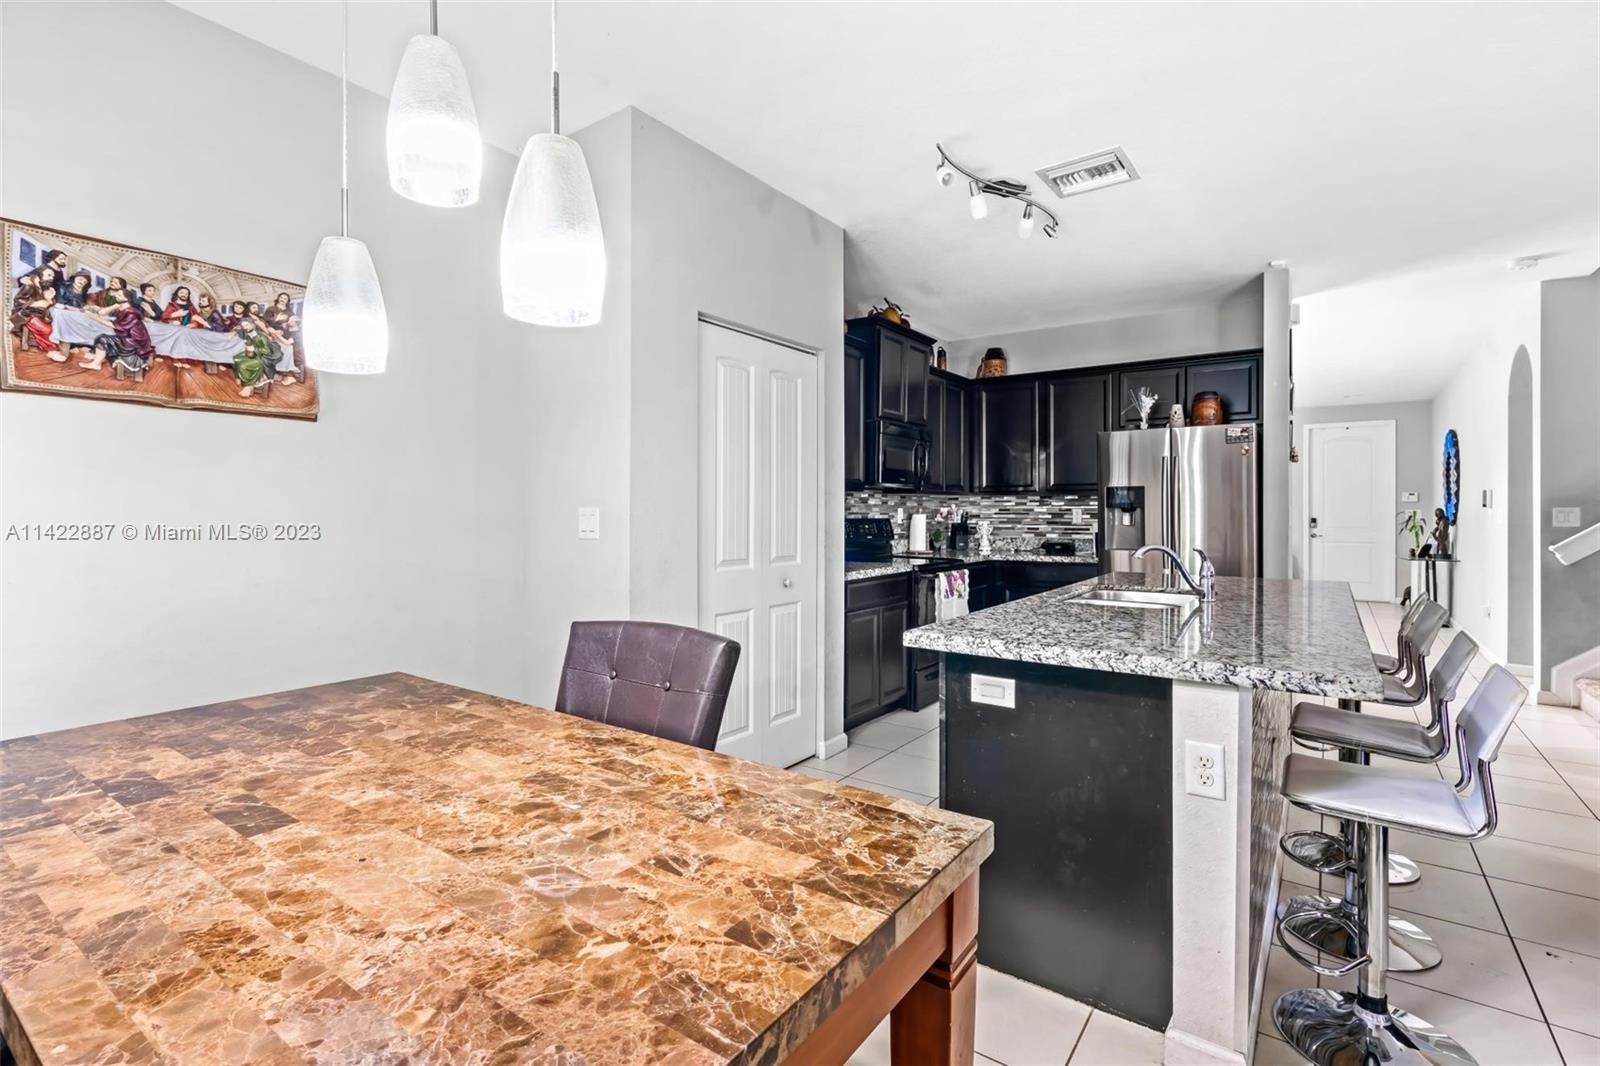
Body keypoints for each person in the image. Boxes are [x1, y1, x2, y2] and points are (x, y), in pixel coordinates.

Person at [80, 305, 156, 375]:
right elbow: (101, 313)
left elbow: (115, 325)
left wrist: (95, 318)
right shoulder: (125, 311)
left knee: (102, 338)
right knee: (103, 338)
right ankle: (98, 359)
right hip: (129, 340)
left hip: (132, 345)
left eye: (119, 296)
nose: (117, 298)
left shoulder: (131, 314)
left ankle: (96, 364)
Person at [10, 267, 60, 358]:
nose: (51, 278)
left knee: (56, 328)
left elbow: (48, 305)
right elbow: (18, 301)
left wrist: (49, 299)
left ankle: (48, 347)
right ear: (39, 276)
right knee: (48, 330)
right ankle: (50, 349)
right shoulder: (30, 286)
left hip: (41, 315)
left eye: (53, 276)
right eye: (49, 275)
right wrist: (35, 304)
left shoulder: (46, 288)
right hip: (26, 315)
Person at [232, 317, 274, 397]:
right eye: (243, 326)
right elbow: (239, 332)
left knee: (243, 365)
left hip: (261, 358)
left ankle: (249, 386)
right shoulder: (248, 335)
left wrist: (254, 349)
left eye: (247, 325)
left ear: (252, 325)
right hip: (251, 354)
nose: (245, 327)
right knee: (236, 358)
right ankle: (239, 377)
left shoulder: (261, 336)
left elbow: (267, 350)